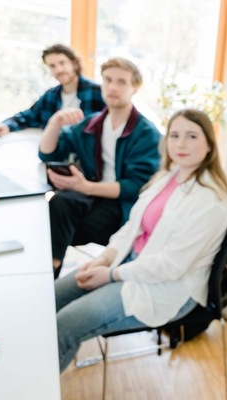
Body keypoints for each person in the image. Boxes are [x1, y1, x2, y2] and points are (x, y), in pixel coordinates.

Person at [55, 108, 227, 372]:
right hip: (128, 263)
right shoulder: (168, 177)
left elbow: (171, 266)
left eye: (192, 136)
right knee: (51, 298)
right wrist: (104, 259)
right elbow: (132, 227)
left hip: (164, 287)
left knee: (65, 325)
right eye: (174, 135)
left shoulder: (210, 202)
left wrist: (110, 274)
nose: (181, 144)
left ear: (209, 145)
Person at [39, 57, 161, 280]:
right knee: (59, 204)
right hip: (94, 197)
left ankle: (49, 271)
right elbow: (48, 153)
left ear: (135, 87)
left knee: (52, 226)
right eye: (108, 80)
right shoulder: (92, 123)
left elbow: (135, 187)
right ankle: (50, 267)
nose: (113, 87)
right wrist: (54, 123)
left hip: (122, 206)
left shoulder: (146, 133)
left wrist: (84, 186)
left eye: (121, 82)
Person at [0, 44, 105, 136]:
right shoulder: (50, 96)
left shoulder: (98, 91)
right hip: (54, 153)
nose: (59, 70)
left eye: (62, 63)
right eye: (52, 66)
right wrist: (6, 126)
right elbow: (28, 116)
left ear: (74, 63)